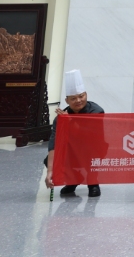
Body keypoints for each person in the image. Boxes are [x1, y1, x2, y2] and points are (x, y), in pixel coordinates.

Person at [45, 70, 103, 198]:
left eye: (81, 96)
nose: (78, 100)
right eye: (73, 98)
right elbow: (54, 143)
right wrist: (50, 171)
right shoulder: (61, 118)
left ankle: (93, 183)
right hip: (72, 150)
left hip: (92, 148)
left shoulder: (97, 111)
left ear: (86, 95)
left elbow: (91, 137)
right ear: (67, 100)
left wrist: (70, 122)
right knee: (50, 159)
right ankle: (73, 179)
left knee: (91, 151)